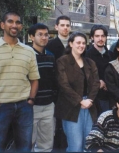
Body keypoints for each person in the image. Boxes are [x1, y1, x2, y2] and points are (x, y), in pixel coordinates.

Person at [0, 11, 40, 152]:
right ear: (3, 25)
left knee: (24, 147)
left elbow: (34, 79)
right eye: (10, 21)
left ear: (21, 27)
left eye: (18, 22)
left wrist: (31, 100)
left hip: (24, 108)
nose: (14, 25)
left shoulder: (29, 51)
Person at [55, 32, 100, 152]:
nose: (81, 45)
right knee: (76, 145)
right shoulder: (62, 61)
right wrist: (80, 101)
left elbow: (96, 83)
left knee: (89, 143)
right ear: (71, 44)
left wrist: (89, 100)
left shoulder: (90, 62)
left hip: (89, 106)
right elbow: (63, 85)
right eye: (78, 43)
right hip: (71, 107)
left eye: (84, 43)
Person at [28, 23, 57, 152]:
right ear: (31, 37)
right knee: (27, 142)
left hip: (48, 106)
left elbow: (54, 79)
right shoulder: (26, 55)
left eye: (46, 35)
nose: (44, 37)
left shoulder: (51, 56)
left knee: (46, 144)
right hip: (30, 106)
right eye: (40, 34)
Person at [46, 15, 71, 151]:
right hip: (56, 91)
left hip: (73, 90)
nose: (65, 28)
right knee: (57, 123)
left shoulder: (76, 43)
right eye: (62, 25)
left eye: (67, 25)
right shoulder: (50, 45)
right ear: (56, 27)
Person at [85, 25, 112, 115]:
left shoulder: (111, 55)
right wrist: (97, 82)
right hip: (95, 98)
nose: (100, 38)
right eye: (97, 36)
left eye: (103, 36)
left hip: (111, 96)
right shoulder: (86, 55)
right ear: (92, 37)